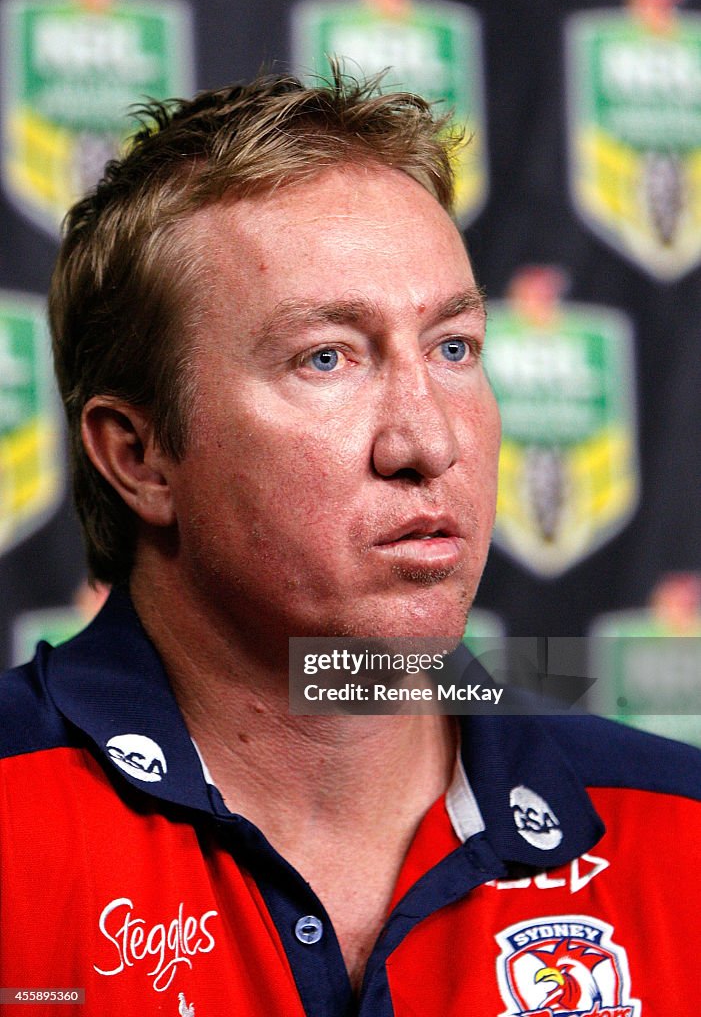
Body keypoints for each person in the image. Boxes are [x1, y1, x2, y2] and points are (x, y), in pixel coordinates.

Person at [0, 69, 699, 1016]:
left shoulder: (678, 831)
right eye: (326, 357)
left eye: (452, 347)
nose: (428, 442)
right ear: (141, 456)